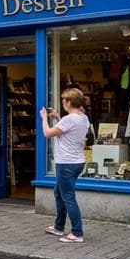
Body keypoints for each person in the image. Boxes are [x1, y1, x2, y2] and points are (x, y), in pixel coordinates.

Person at [41, 87, 90, 243]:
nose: (62, 103)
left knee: (68, 197)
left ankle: (77, 233)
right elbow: (68, 129)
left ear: (68, 102)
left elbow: (48, 133)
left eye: (63, 101)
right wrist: (57, 118)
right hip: (77, 162)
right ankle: (58, 227)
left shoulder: (69, 119)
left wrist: (44, 118)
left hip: (66, 163)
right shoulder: (83, 117)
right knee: (59, 193)